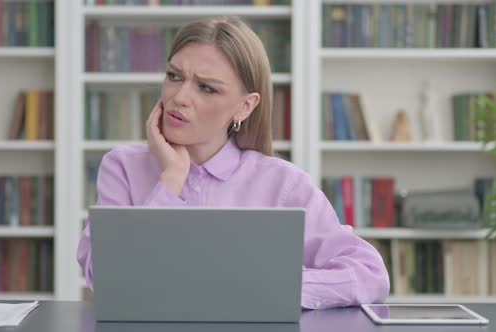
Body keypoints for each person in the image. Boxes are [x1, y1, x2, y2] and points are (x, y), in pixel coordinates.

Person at [77, 16, 390, 309]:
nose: (180, 96)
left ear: (244, 106)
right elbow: (106, 279)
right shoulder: (122, 167)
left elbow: (369, 274)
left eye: (206, 87)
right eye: (174, 76)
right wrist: (171, 179)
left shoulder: (282, 183)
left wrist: (268, 287)